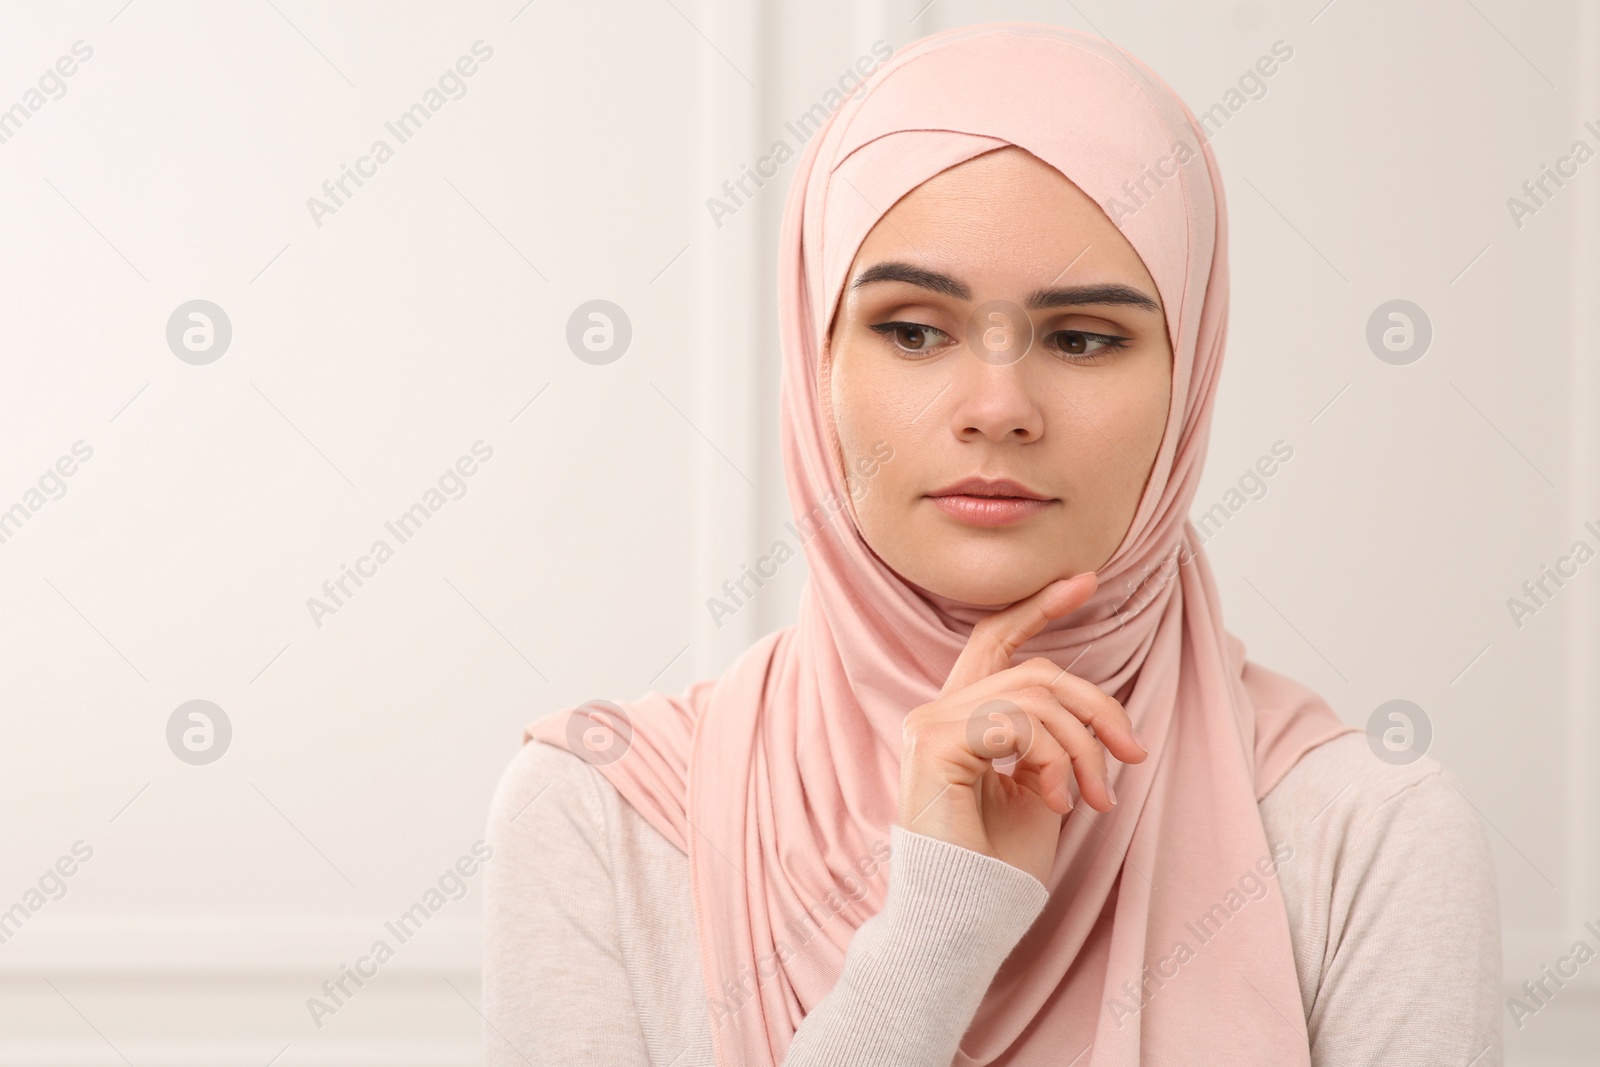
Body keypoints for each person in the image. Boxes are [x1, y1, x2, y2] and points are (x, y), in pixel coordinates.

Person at [482, 21, 1501, 1066]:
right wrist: (940, 922)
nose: (998, 406)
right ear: (813, 353)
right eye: (914, 329)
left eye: (1081, 337)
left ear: (1186, 375)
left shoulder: (1371, 834)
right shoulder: (600, 813)